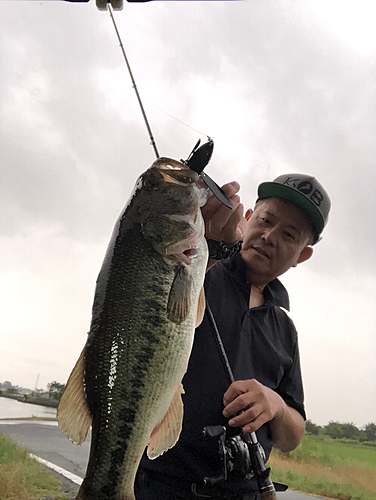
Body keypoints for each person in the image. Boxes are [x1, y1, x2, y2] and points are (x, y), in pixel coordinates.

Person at [135, 173, 331, 500]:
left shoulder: (284, 329)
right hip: (158, 485)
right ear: (249, 219)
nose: (269, 236)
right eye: (266, 221)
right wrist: (210, 247)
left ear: (302, 255)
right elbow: (146, 302)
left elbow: (293, 436)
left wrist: (276, 406)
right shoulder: (198, 271)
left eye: (288, 234)